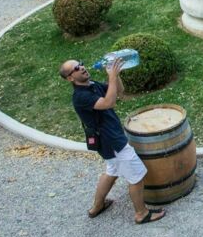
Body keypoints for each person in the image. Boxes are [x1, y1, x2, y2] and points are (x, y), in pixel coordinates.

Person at [61, 58, 165, 224]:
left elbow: (119, 91)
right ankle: (141, 213)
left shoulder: (92, 85)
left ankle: (97, 206)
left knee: (112, 171)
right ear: (70, 78)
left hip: (108, 141)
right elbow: (109, 102)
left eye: (81, 63)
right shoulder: (80, 97)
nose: (82, 67)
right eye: (76, 68)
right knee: (136, 176)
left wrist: (116, 75)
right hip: (112, 141)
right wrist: (111, 77)